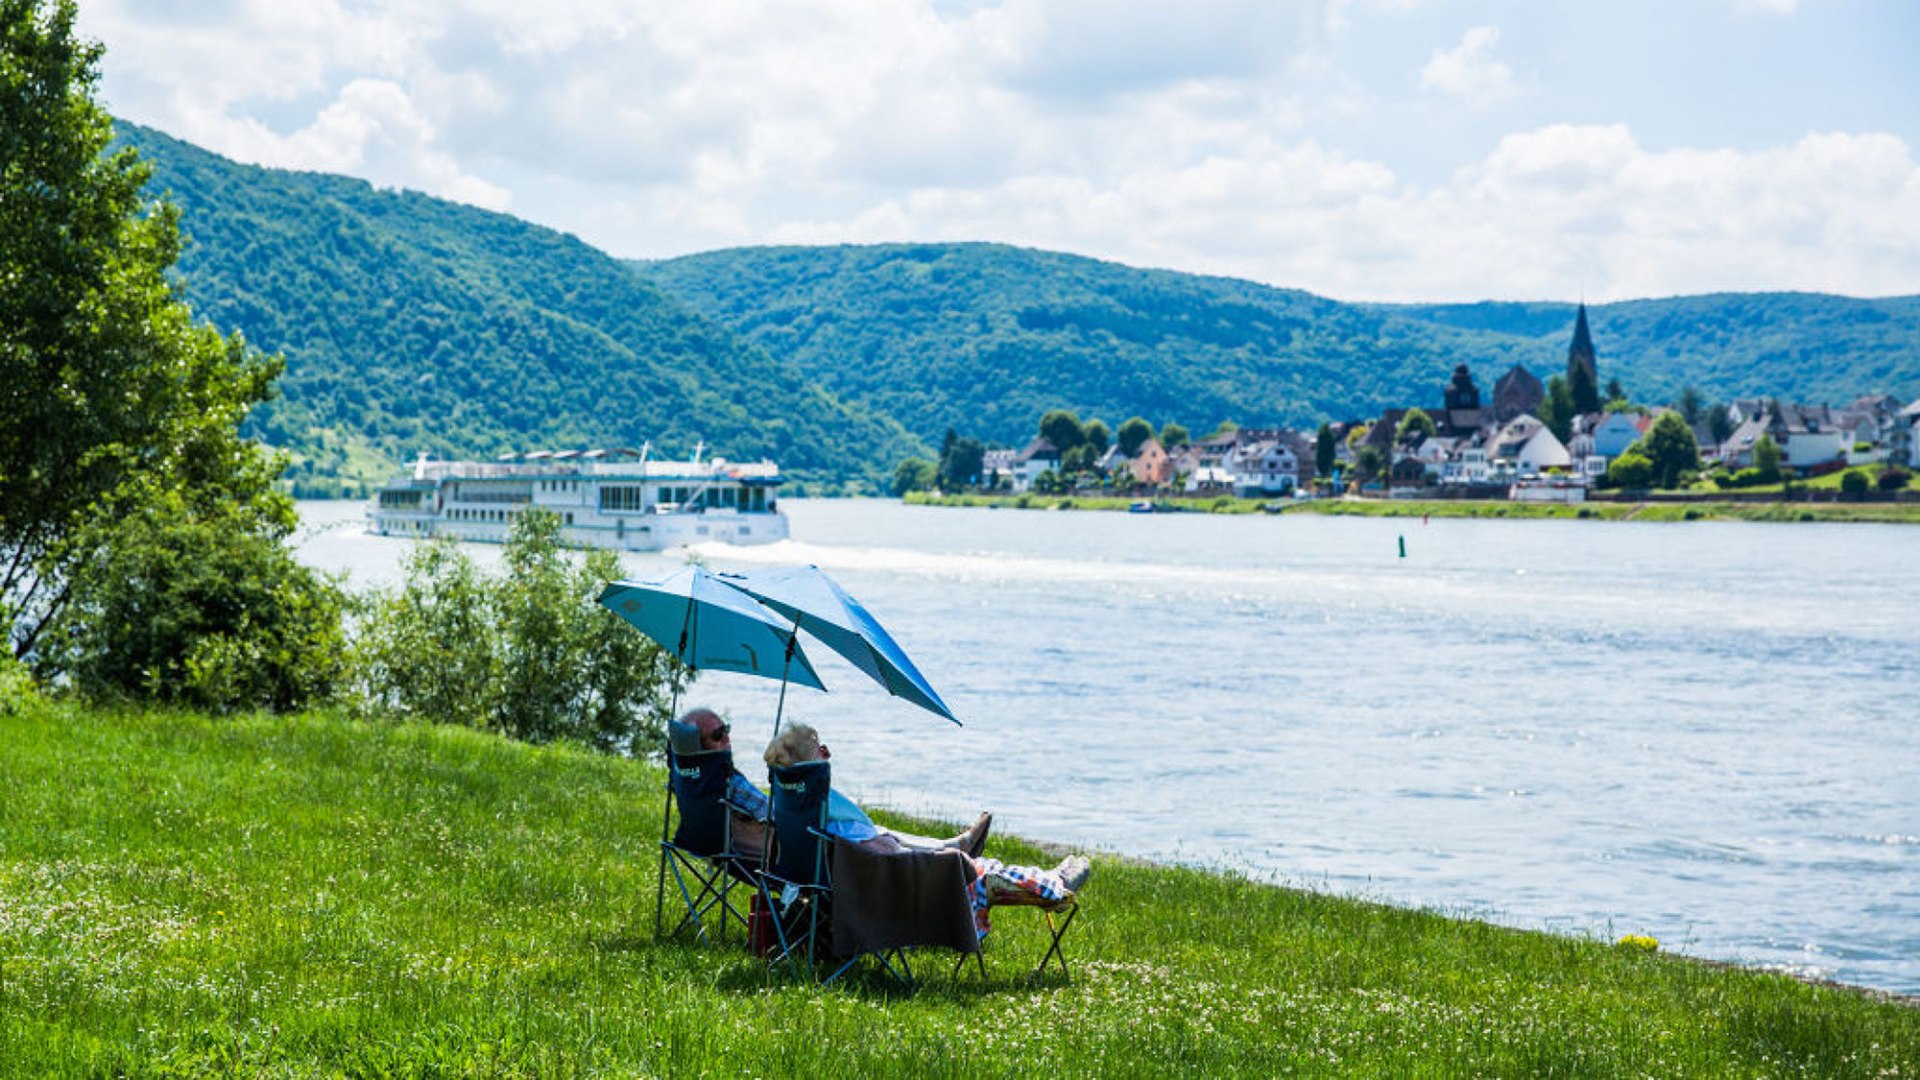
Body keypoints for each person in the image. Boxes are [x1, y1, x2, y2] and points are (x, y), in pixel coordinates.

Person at [764, 721, 1091, 937]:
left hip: (838, 888)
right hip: (882, 891)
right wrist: (941, 859)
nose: (828, 752)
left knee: (960, 862)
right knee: (982, 872)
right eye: (821, 748)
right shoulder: (836, 819)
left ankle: (1045, 878)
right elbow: (884, 855)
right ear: (814, 760)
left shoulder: (798, 806)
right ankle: (1055, 886)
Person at [680, 708, 989, 860]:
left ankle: (952, 846)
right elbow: (777, 817)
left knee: (871, 831)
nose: (728, 738)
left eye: (726, 729)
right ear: (700, 744)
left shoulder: (689, 778)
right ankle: (950, 853)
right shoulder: (725, 782)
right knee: (867, 835)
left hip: (738, 849)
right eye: (718, 735)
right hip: (788, 855)